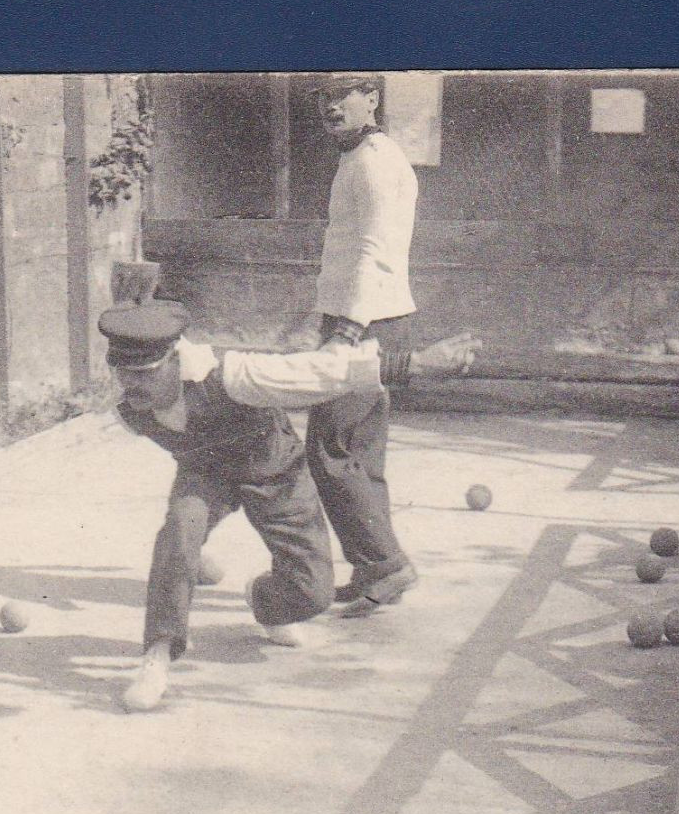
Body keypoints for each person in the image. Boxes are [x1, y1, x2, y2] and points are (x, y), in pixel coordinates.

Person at [101, 298, 472, 713]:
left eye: (144, 374)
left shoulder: (236, 375)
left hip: (275, 474)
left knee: (313, 594)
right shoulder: (130, 411)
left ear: (175, 358)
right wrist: (184, 555)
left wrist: (413, 363)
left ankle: (267, 602)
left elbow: (320, 373)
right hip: (204, 474)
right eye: (122, 374)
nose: (132, 387)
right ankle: (158, 655)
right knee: (180, 528)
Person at [307, 73, 423, 616]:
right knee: (358, 453)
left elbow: (377, 252)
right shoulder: (359, 157)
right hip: (365, 317)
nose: (331, 106)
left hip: (365, 322)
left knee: (329, 450)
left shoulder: (375, 161)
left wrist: (348, 329)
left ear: (371, 98)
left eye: (341, 95)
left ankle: (386, 564)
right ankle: (373, 564)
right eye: (323, 98)